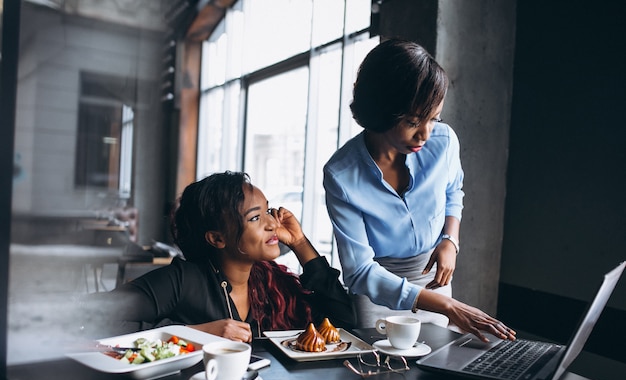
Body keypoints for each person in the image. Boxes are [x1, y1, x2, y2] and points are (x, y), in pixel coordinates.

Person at [323, 39, 514, 342]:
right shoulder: (341, 175)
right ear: (381, 111)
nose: (425, 133)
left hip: (435, 283)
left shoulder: (444, 142)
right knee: (384, 378)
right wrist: (446, 305)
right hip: (378, 293)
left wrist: (450, 241)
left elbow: (454, 191)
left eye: (433, 118)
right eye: (413, 121)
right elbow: (359, 271)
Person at [83, 171, 356, 342]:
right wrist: (193, 333)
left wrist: (299, 243)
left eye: (268, 211)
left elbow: (343, 323)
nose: (273, 224)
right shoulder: (182, 280)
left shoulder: (272, 281)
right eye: (255, 218)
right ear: (217, 238)